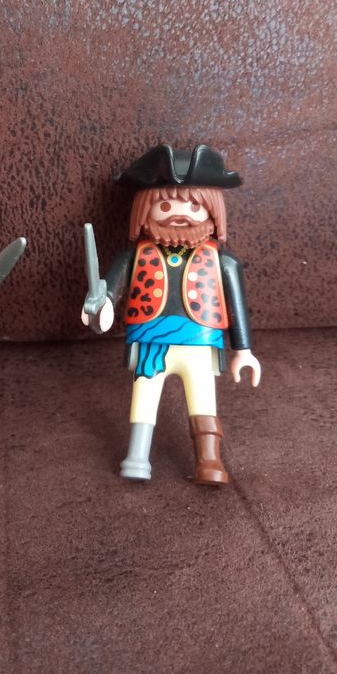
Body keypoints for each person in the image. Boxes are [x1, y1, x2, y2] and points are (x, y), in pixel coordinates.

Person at [83, 144, 261, 485]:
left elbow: (236, 303)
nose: (180, 214)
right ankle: (137, 456)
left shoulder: (223, 261)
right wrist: (99, 306)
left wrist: (244, 350)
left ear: (213, 209)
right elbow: (109, 291)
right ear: (144, 209)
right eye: (164, 205)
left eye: (194, 205)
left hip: (199, 341)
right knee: (144, 396)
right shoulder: (132, 256)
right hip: (151, 341)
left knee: (203, 399)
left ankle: (209, 460)